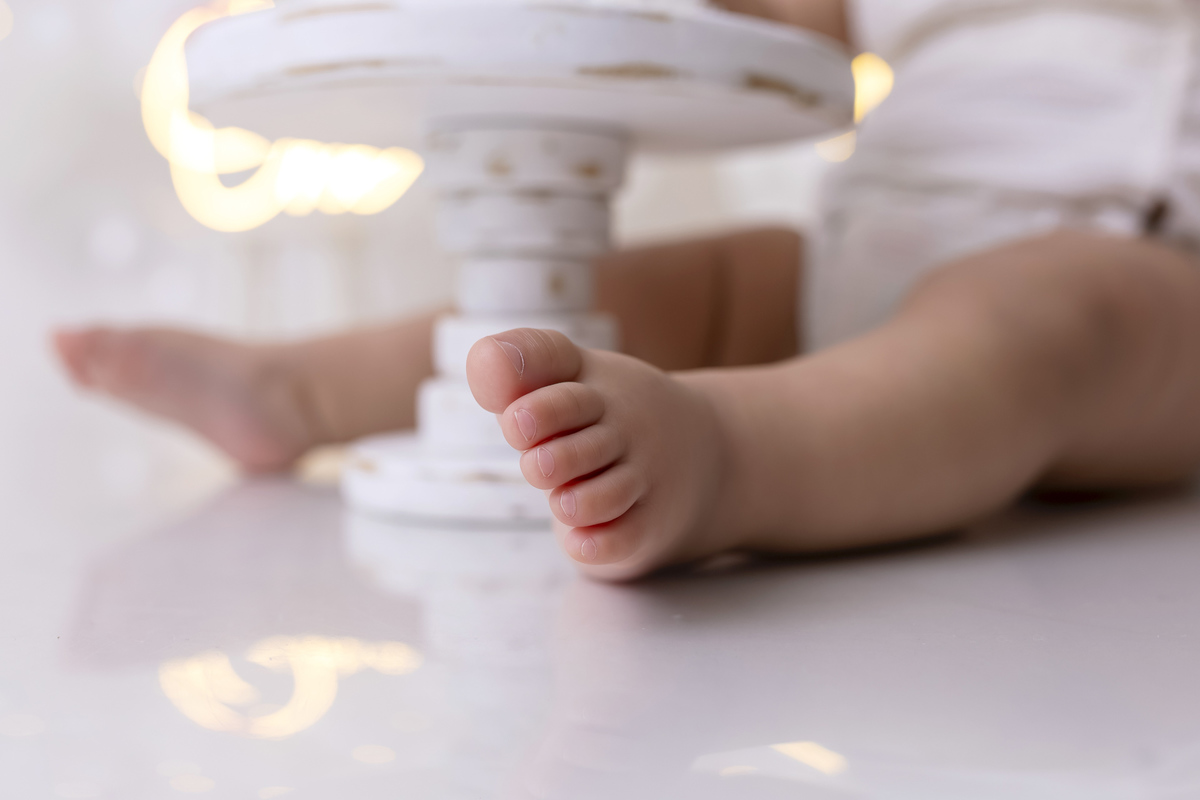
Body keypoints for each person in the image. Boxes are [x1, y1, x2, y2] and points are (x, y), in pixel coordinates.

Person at [55, 0, 1200, 581]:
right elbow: (794, 23)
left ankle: (730, 457)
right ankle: (303, 388)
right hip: (889, 224)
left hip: (1153, 260)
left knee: (1035, 323)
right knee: (692, 280)